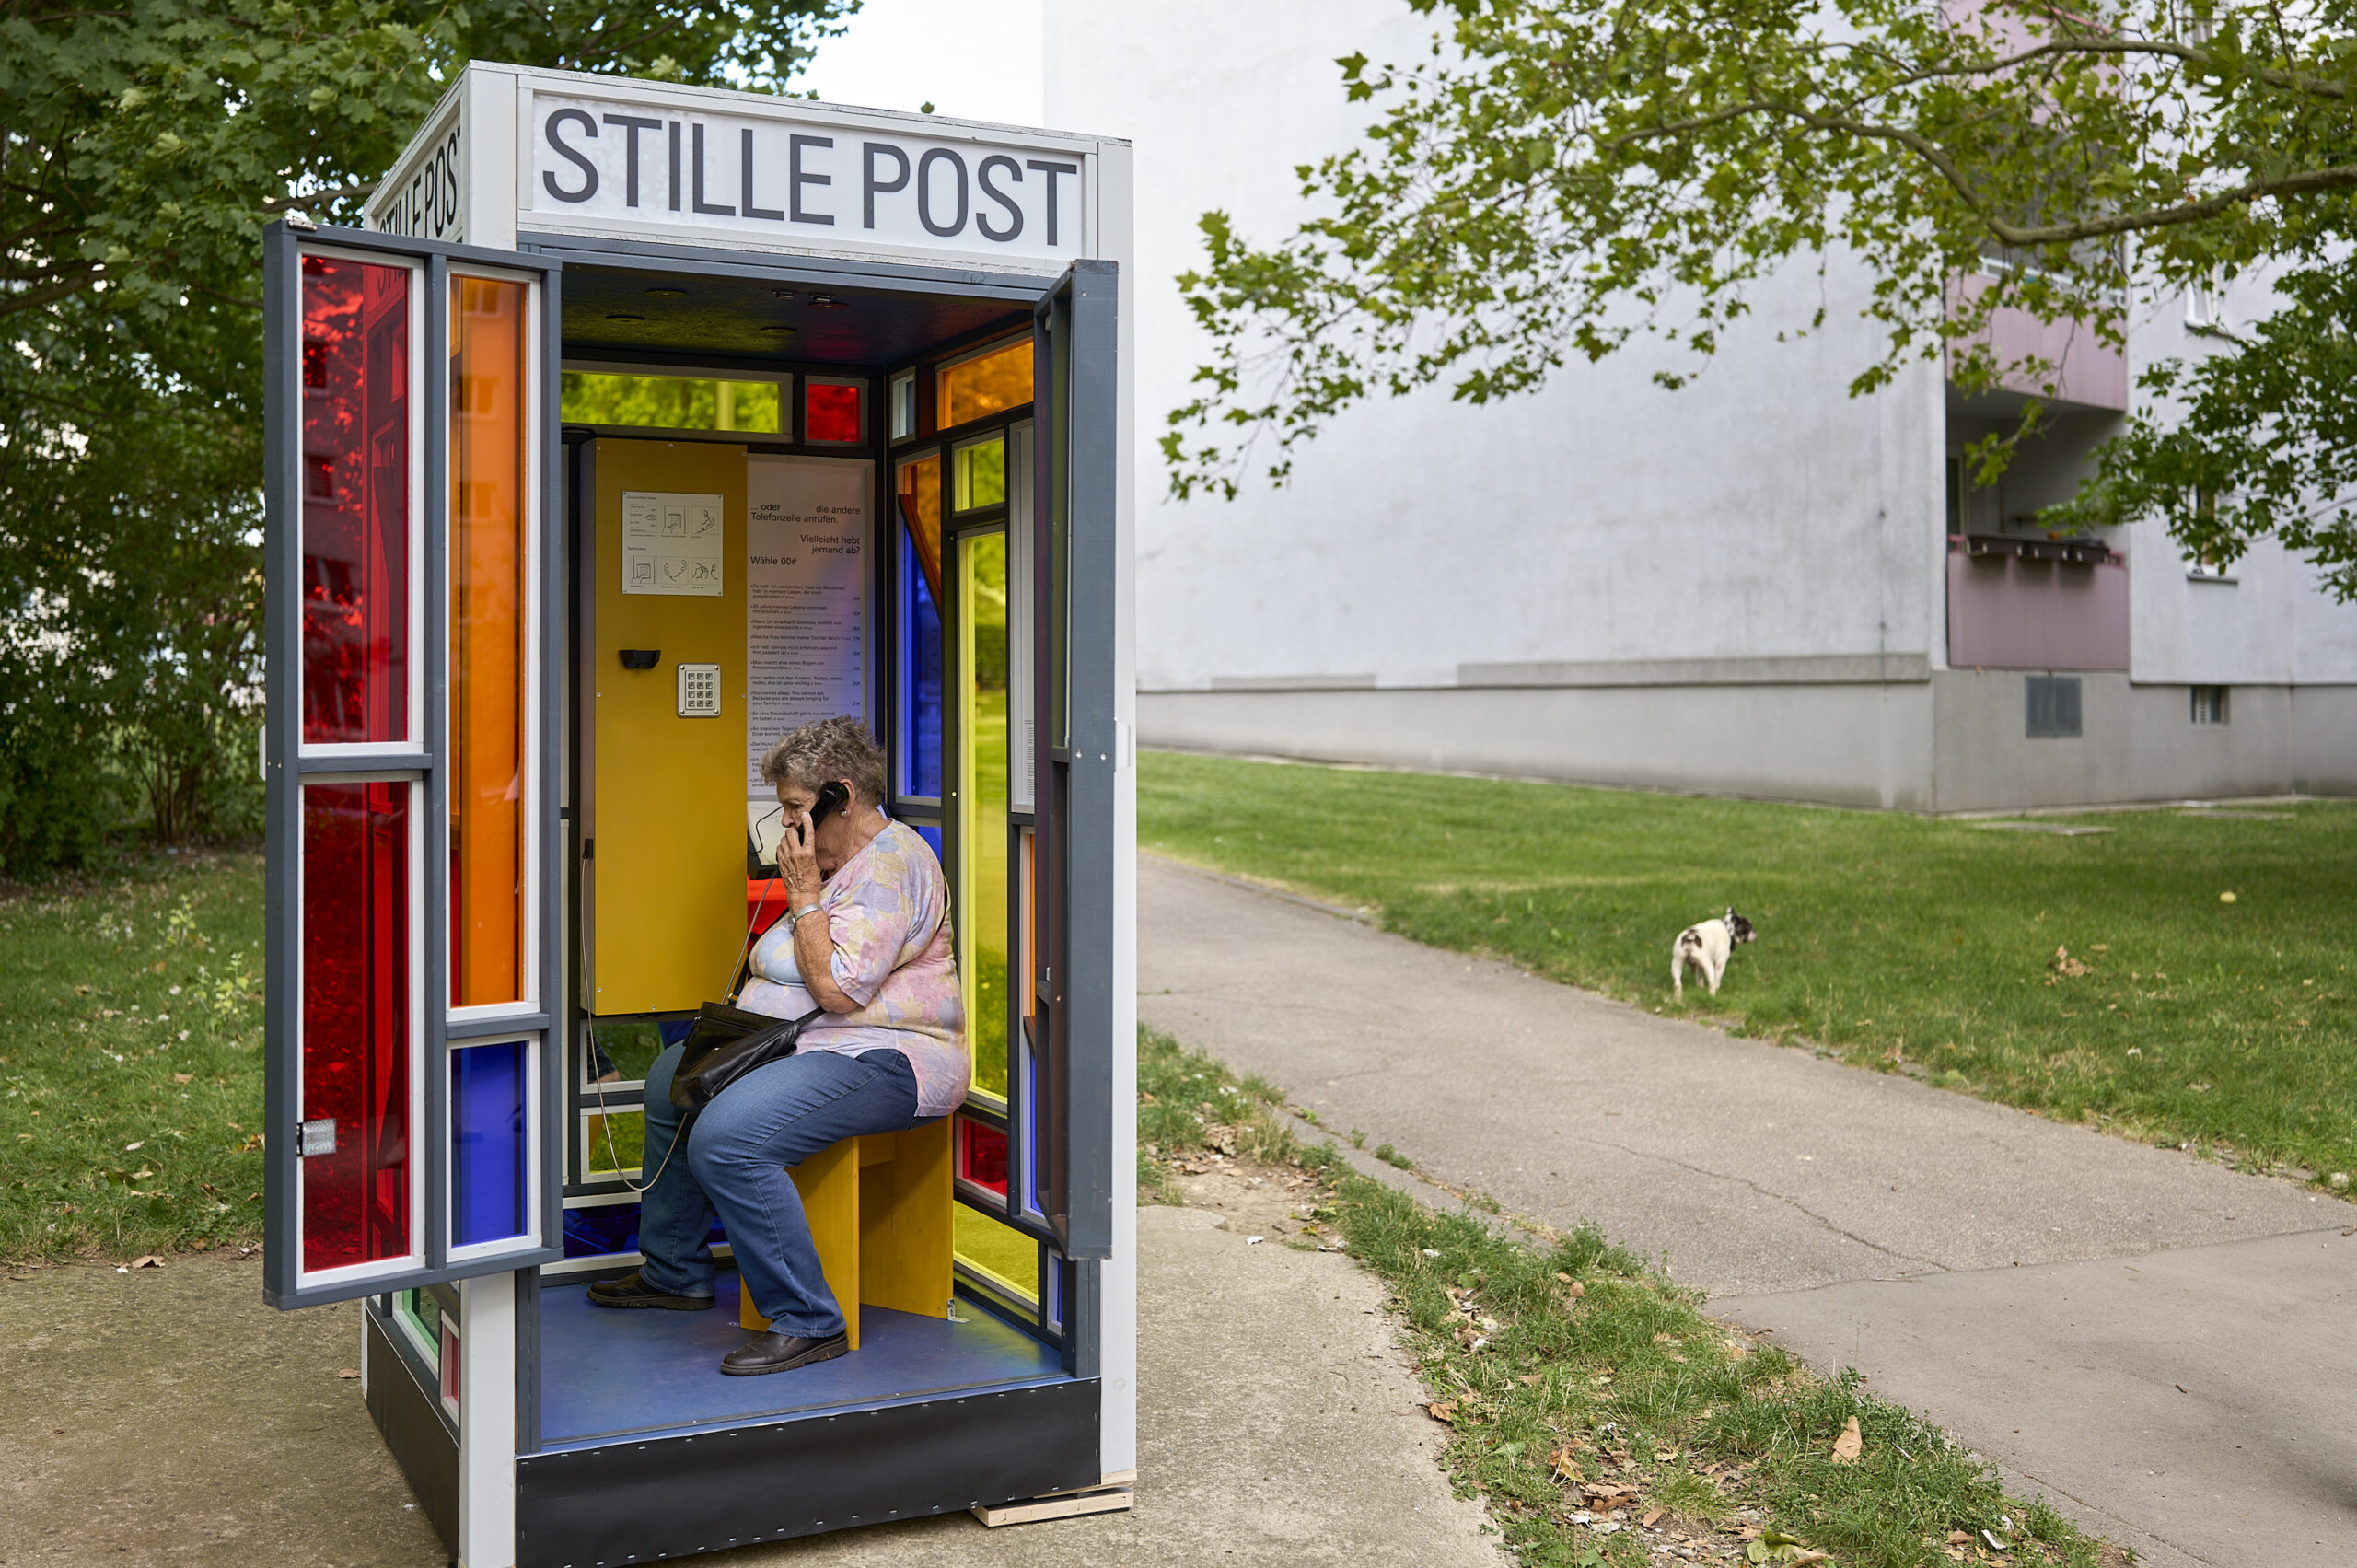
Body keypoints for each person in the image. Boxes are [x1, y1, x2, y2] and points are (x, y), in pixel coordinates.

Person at [588, 717, 969, 1376]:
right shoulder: (835, 860)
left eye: (795, 807)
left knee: (728, 1137)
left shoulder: (892, 866)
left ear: (840, 797)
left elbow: (840, 988)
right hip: (806, 1044)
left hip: (888, 1058)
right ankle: (675, 1271)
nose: (786, 825)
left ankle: (807, 1317)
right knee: (670, 1079)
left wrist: (802, 897)